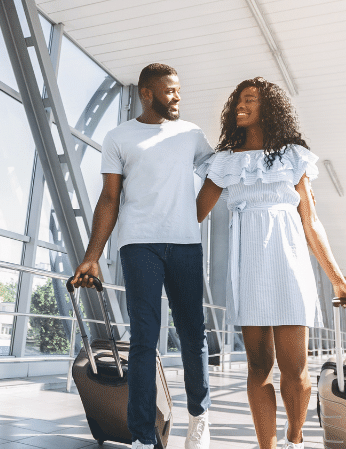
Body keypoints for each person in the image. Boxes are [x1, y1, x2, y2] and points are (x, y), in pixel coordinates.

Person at [195, 77, 346, 449]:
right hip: (248, 264)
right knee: (258, 366)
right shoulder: (223, 161)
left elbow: (311, 222)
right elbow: (195, 215)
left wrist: (338, 280)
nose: (240, 105)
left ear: (268, 109)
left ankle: (295, 437)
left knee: (296, 370)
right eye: (237, 100)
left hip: (289, 263)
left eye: (250, 100)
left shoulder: (293, 156)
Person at [71, 63, 214, 449]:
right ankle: (141, 436)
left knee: (191, 333)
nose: (177, 97)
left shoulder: (191, 134)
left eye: (179, 90)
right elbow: (109, 198)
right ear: (147, 93)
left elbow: (217, 175)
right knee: (144, 339)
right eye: (170, 90)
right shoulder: (119, 137)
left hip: (185, 245)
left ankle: (199, 417)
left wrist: (192, 216)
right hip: (138, 245)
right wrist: (92, 256)